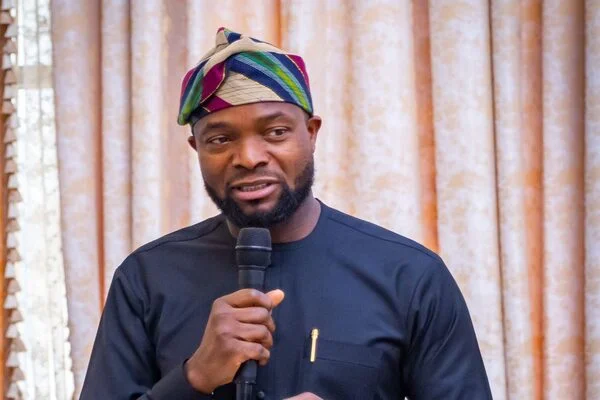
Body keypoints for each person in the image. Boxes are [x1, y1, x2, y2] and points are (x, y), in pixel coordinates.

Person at [80, 28, 492, 400]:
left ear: (311, 134)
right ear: (197, 150)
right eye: (220, 139)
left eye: (275, 132)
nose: (249, 157)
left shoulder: (409, 276)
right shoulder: (146, 279)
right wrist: (194, 377)